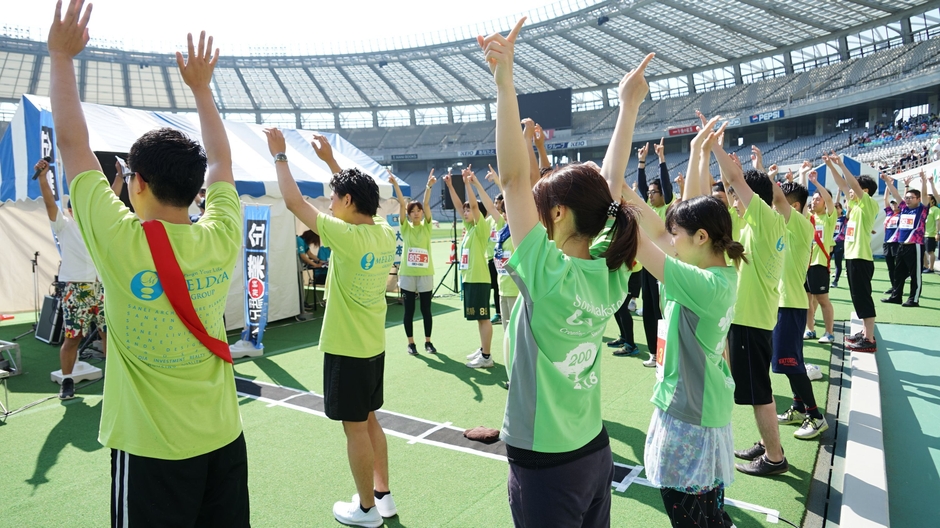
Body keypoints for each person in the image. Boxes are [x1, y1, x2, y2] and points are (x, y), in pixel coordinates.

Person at [49, 4, 249, 523]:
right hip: (224, 440)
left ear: (135, 182)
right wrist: (203, 90)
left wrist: (60, 55)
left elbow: (73, 145)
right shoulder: (221, 233)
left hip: (150, 453)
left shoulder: (119, 240)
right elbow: (223, 162)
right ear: (193, 187)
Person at [481, 18, 645, 526]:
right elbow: (611, 187)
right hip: (594, 452)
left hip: (546, 464)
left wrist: (505, 83)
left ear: (556, 215)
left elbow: (511, 178)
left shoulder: (549, 275)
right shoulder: (610, 269)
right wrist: (628, 106)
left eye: (541, 202)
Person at [267, 126, 397, 527]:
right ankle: (382, 496)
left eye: (334, 196)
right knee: (370, 419)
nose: (329, 203)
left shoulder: (344, 235)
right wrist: (331, 163)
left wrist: (280, 155)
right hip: (373, 347)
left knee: (355, 428)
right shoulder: (384, 233)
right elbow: (358, 199)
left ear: (345, 200)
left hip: (347, 348)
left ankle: (365, 510)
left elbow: (293, 201)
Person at [627, 118, 741, 526]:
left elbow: (642, 242)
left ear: (702, 237)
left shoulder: (701, 284)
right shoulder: (718, 273)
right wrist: (697, 154)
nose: (671, 240)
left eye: (678, 235)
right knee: (708, 510)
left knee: (688, 512)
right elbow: (682, 217)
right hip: (701, 405)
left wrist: (610, 201)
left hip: (689, 413)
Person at [710, 137, 789, 477]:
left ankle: (774, 458)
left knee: (760, 395)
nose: (735, 202)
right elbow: (735, 194)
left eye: (739, 197)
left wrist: (713, 147)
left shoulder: (768, 221)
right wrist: (736, 175)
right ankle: (768, 442)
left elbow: (738, 185)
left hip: (751, 322)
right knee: (758, 390)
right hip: (751, 320)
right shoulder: (759, 225)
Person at [35, 158, 114, 400]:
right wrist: (43, 178)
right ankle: (67, 381)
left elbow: (112, 200)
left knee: (106, 334)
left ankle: (114, 379)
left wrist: (120, 178)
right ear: (70, 209)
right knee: (73, 336)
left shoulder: (96, 225)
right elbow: (49, 201)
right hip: (75, 287)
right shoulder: (64, 225)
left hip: (101, 286)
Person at [774, 181, 828, 440]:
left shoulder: (801, 224)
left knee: (791, 364)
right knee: (787, 362)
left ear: (793, 207)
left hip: (791, 304)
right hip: (782, 303)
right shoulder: (785, 228)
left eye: (778, 202)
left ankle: (816, 416)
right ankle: (798, 407)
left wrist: (761, 172)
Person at [825, 152, 880, 352]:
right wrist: (831, 167)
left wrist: (841, 164)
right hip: (853, 257)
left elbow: (852, 186)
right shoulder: (855, 205)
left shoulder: (868, 204)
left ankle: (869, 339)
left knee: (863, 297)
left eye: (855, 188)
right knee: (858, 296)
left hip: (861, 258)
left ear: (864, 191)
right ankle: (865, 333)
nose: (849, 191)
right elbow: (843, 185)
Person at [445, 167, 497, 368]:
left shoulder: (481, 227)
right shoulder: (468, 230)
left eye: (470, 210)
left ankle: (486, 356)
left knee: (483, 318)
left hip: (479, 279)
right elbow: (459, 206)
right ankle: (483, 349)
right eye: (465, 210)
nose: (466, 212)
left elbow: (475, 207)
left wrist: (468, 183)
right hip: (470, 279)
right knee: (479, 318)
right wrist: (451, 186)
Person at [389, 169, 438, 355]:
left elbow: (426, 202)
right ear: (408, 215)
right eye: (413, 211)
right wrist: (395, 184)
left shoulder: (427, 227)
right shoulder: (405, 228)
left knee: (426, 310)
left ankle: (428, 342)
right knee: (408, 311)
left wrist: (428, 186)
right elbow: (402, 203)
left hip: (425, 274)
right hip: (408, 275)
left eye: (419, 211)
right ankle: (411, 343)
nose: (417, 213)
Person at [636, 137, 674, 368]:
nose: (650, 195)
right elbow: (641, 188)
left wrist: (661, 159)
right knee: (649, 311)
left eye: (654, 192)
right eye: (649, 193)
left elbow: (667, 186)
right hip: (647, 266)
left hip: (665, 268)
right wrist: (641, 162)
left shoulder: (669, 206)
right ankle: (654, 353)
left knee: (663, 313)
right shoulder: (649, 208)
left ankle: (667, 353)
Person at [882, 172, 929, 307]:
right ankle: (896, 296)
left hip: (915, 246)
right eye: (906, 197)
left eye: (911, 198)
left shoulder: (921, 210)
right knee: (899, 273)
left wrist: (924, 181)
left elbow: (925, 195)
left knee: (915, 274)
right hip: (901, 246)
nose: (907, 200)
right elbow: (895, 194)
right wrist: (887, 182)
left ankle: (913, 299)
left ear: (918, 199)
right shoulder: (903, 209)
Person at [804, 172, 837, 343]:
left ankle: (829, 332)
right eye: (813, 199)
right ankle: (810, 329)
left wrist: (816, 183)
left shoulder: (829, 218)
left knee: (822, 300)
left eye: (818, 199)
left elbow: (830, 201)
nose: (814, 201)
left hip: (819, 264)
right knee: (807, 300)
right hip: (805, 265)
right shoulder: (809, 218)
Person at [879, 175, 902, 299]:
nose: (894, 206)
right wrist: (887, 186)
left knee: (898, 267)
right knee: (890, 267)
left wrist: (891, 185)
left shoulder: (903, 214)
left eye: (896, 204)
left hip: (897, 242)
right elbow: (885, 199)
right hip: (887, 242)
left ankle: (898, 288)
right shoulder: (889, 213)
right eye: (893, 204)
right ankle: (894, 287)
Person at [830, 200, 847, 288]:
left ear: (841, 209)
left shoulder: (844, 218)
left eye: (838, 208)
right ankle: (825, 279)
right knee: (825, 261)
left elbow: (849, 209)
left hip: (839, 243)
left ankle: (835, 281)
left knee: (838, 262)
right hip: (830, 243)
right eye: (834, 208)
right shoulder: (830, 217)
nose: (836, 210)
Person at [924, 187, 939, 273]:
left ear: (932, 200)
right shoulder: (926, 209)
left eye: (928, 197)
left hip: (931, 234)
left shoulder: (935, 209)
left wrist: (937, 233)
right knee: (923, 251)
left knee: (930, 251)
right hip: (923, 234)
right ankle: (925, 266)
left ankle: (931, 268)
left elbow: (938, 221)